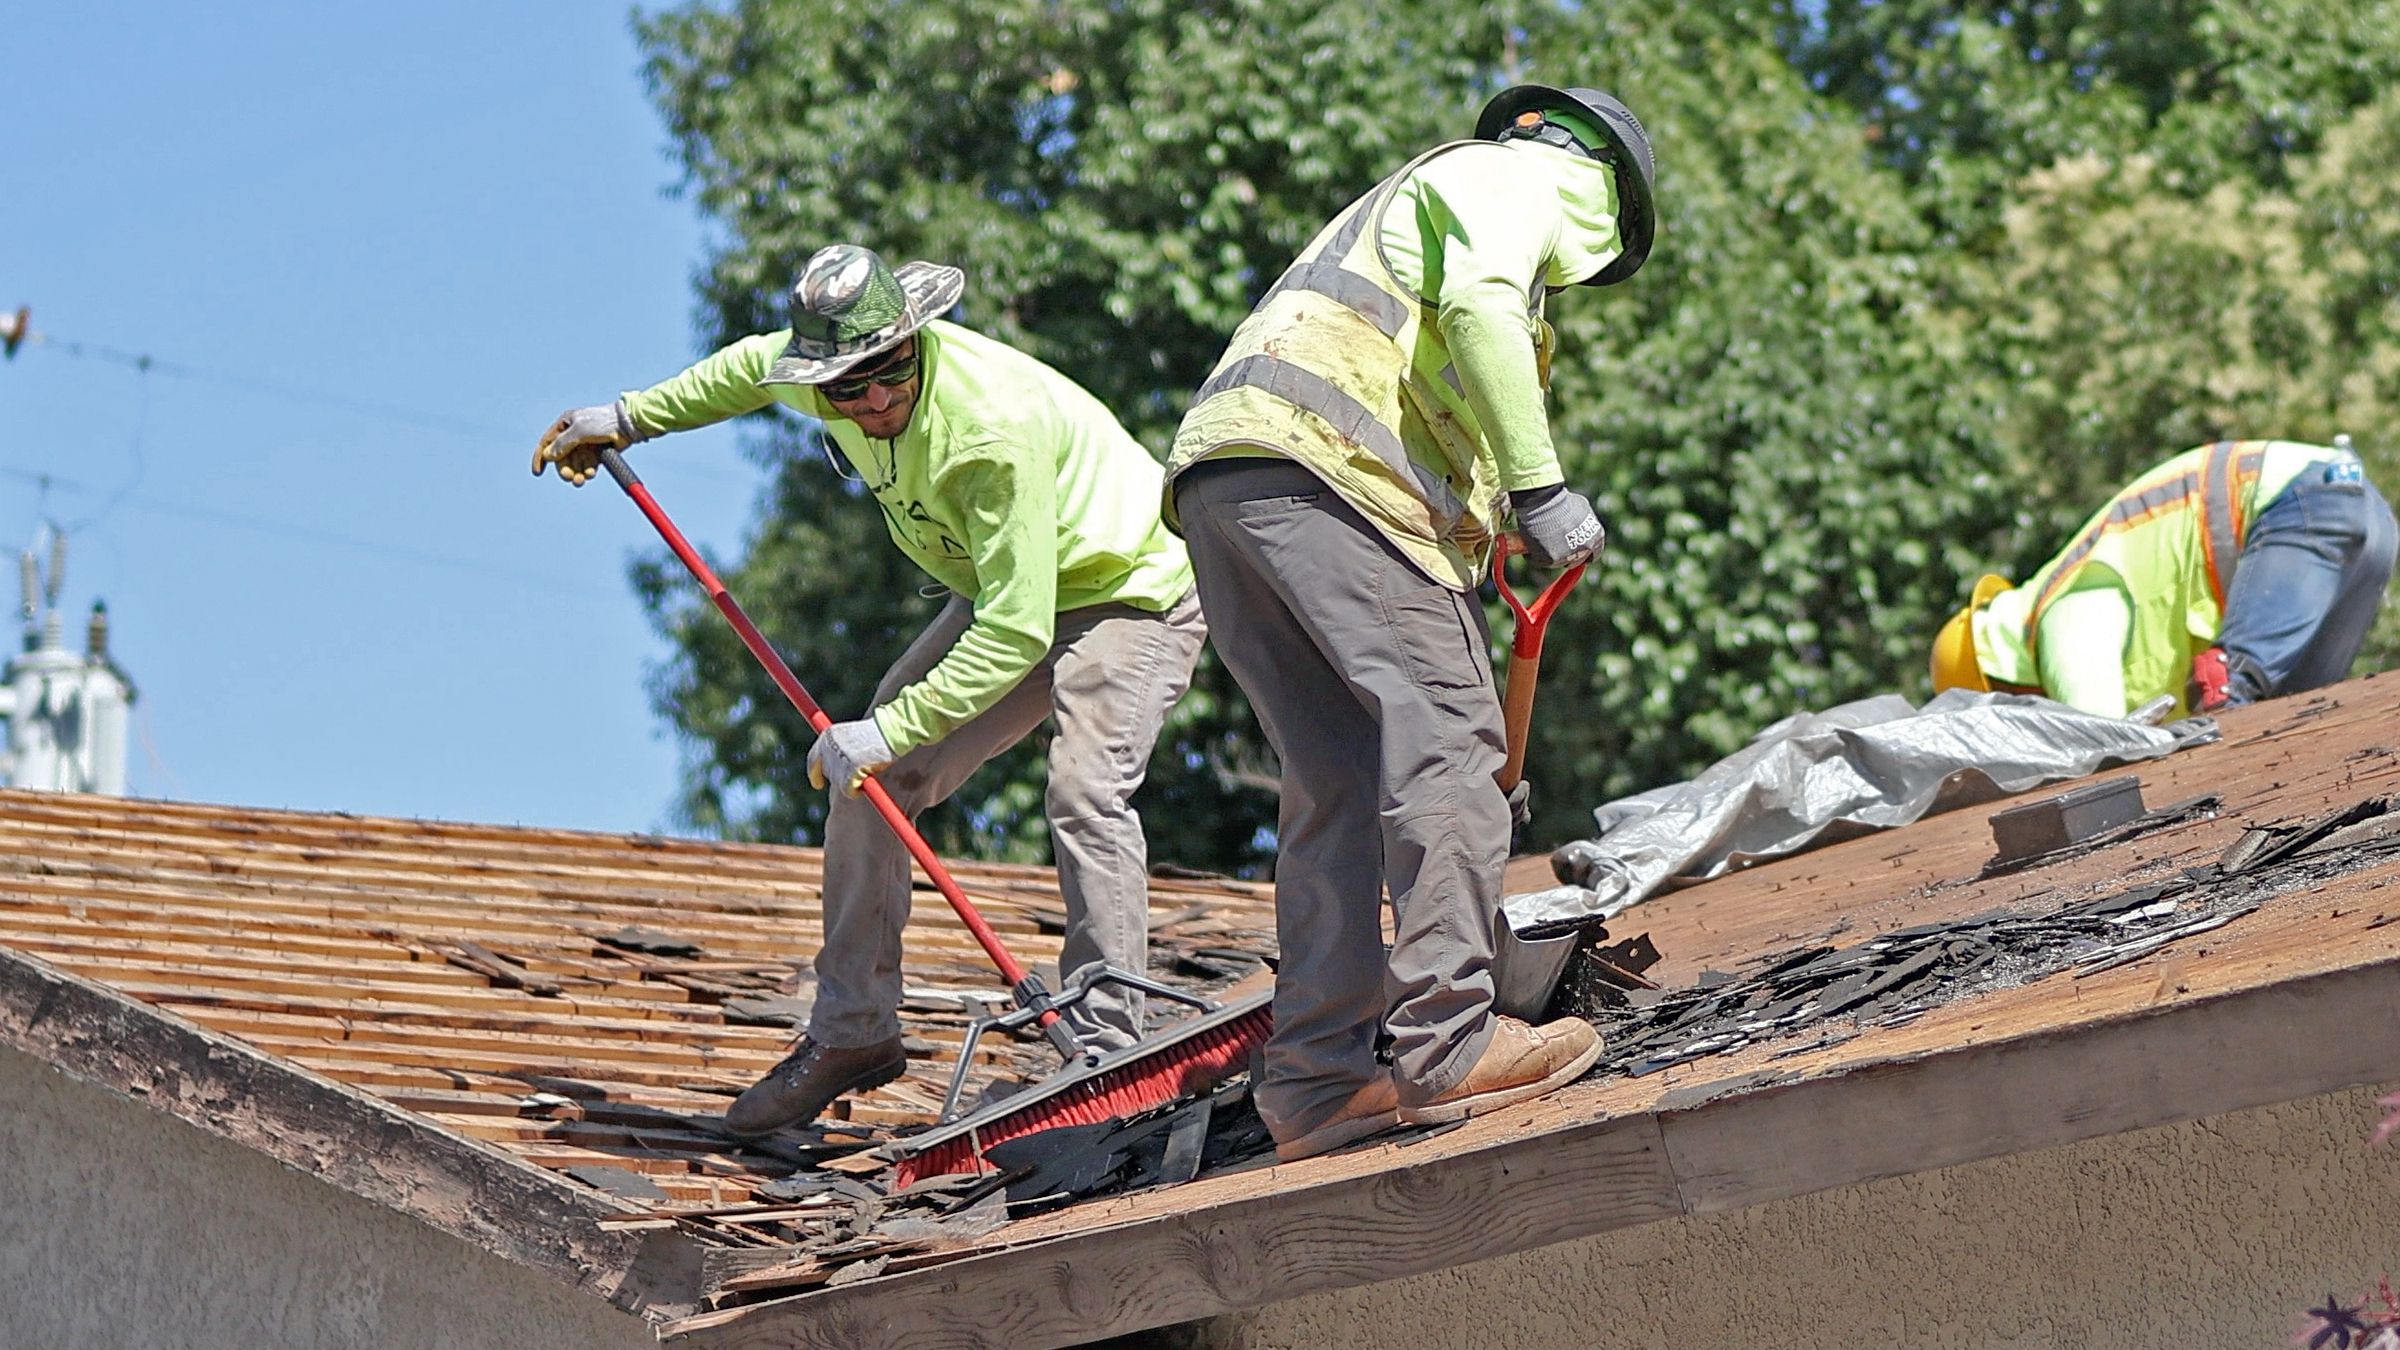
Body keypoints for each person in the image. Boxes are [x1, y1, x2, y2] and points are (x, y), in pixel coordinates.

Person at [533, 244, 1207, 1136]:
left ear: (914, 340)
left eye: (894, 369)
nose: (879, 398)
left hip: (1129, 587)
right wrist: (626, 417)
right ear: (822, 380)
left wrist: (891, 727)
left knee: (1085, 789)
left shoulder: (987, 432)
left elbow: (1016, 633)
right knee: (867, 782)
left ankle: (1109, 1045)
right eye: (852, 386)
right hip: (1009, 591)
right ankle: (853, 1030)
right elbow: (746, 368)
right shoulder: (823, 382)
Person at [1161, 85, 1655, 1161]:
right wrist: (1542, 490)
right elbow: (1481, 307)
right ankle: (1447, 1042)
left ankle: (1316, 1083)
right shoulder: (1513, 178)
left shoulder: (1417, 205)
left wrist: (1483, 537)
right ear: (1606, 194)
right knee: (1448, 746)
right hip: (1329, 476)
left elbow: (1431, 392)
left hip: (1228, 483)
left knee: (1336, 779)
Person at [1932, 438, 2398, 715]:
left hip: (2299, 503)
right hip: (2367, 516)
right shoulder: (2072, 595)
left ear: (2008, 688)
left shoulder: (2060, 618)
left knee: (2226, 687)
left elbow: (2099, 744)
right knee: (2299, 717)